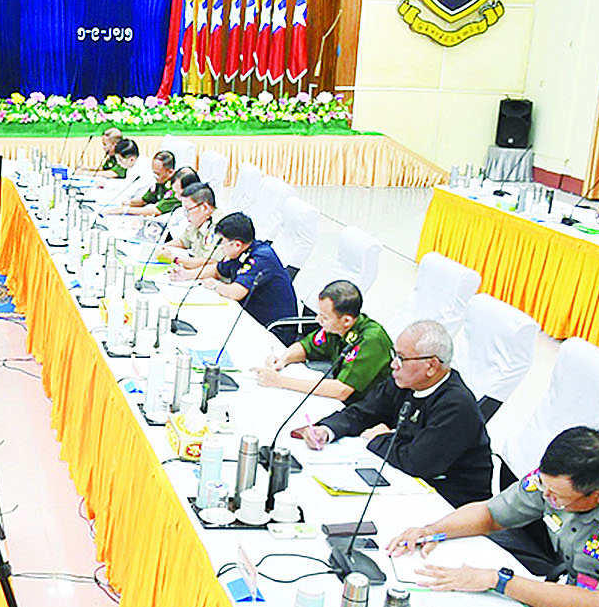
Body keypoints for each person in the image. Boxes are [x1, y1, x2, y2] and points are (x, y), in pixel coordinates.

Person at [389, 427, 599, 607]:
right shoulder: (557, 482)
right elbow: (491, 514)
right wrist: (432, 530)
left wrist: (499, 580)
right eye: (543, 488)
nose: (547, 497)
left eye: (557, 498)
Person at [307, 319, 492, 507]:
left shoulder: (456, 405)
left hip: (451, 501)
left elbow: (417, 462)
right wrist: (326, 430)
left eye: (402, 358)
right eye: (395, 355)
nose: (393, 365)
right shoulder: (405, 382)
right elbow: (363, 412)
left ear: (431, 366)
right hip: (409, 483)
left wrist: (378, 438)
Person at [256, 279, 394, 404]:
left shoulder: (371, 340)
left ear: (346, 320)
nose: (318, 319)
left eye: (324, 317)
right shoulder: (337, 326)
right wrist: (283, 359)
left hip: (368, 407)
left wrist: (280, 381)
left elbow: (341, 390)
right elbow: (307, 346)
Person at [191, 212, 300, 342]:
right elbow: (217, 270)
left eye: (222, 242)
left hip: (273, 330)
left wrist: (215, 285)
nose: (220, 247)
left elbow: (236, 292)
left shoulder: (261, 257)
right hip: (250, 319)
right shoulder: (242, 252)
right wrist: (186, 275)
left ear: (237, 244)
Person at [162, 183, 222, 269]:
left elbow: (210, 262)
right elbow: (183, 241)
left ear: (205, 207)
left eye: (188, 210)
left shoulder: (220, 227)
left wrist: (175, 259)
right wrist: (163, 248)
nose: (186, 215)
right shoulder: (199, 220)